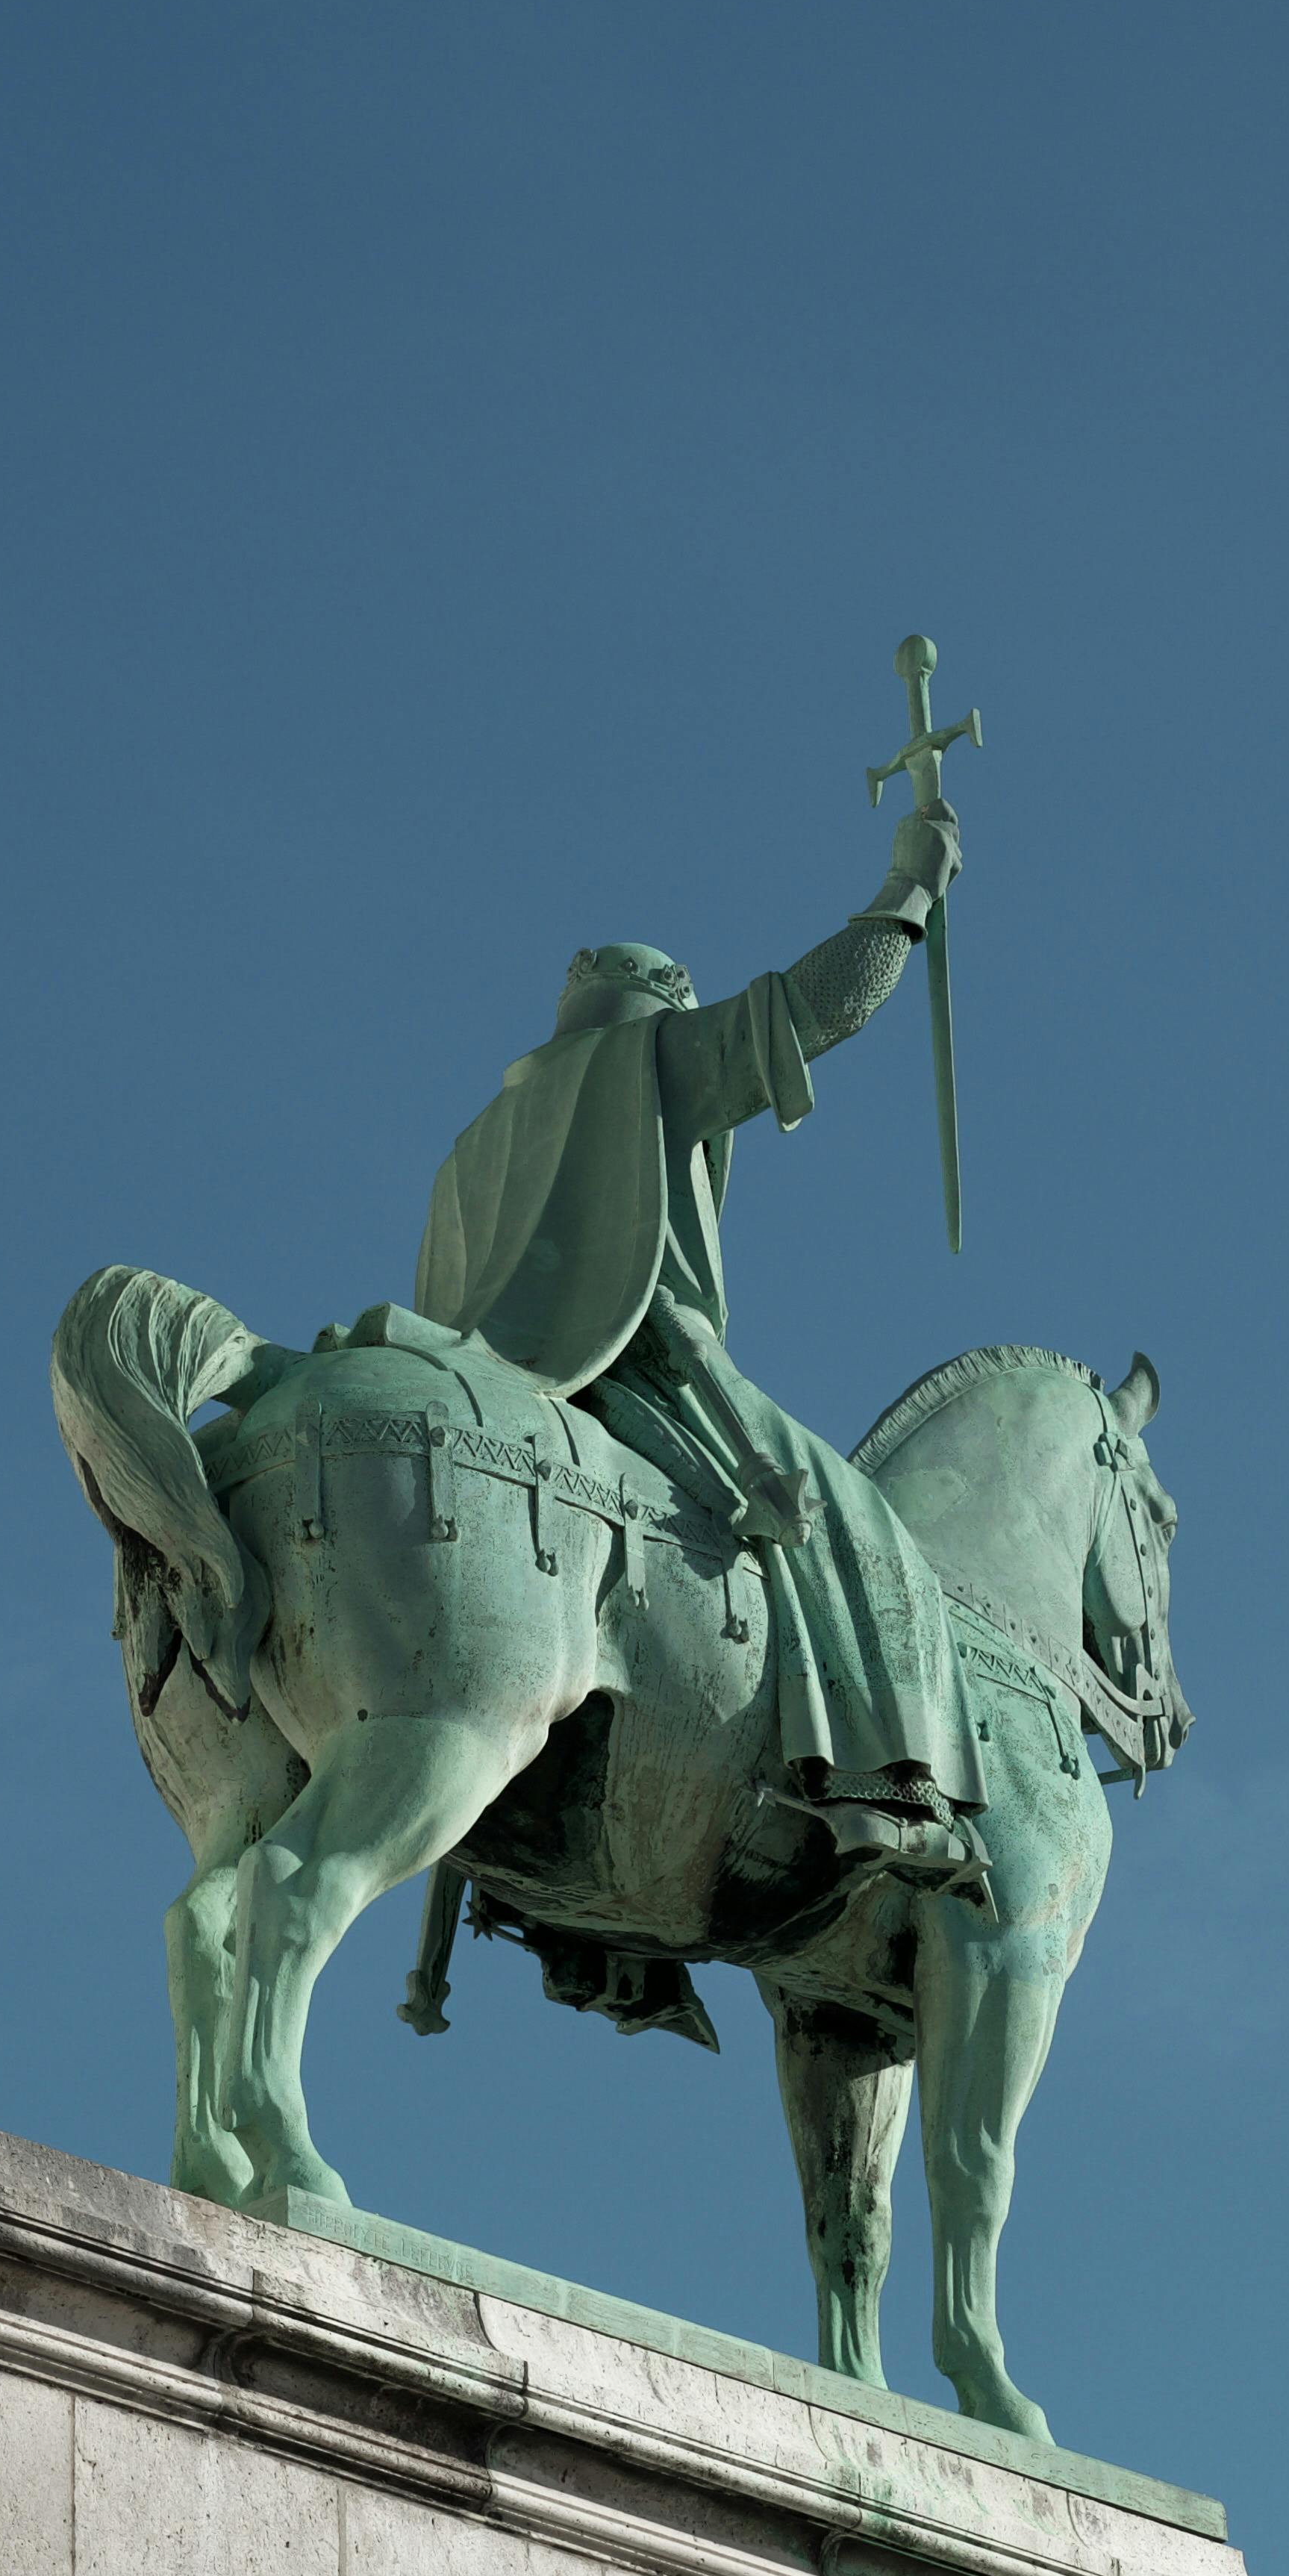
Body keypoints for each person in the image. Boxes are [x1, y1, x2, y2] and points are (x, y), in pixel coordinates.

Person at [413, 793, 985, 1890]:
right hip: (642, 1360)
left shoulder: (470, 1146)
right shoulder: (651, 1061)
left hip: (495, 1388)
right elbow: (814, 1009)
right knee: (858, 1524)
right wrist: (910, 888)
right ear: (653, 1016)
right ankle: (884, 1789)